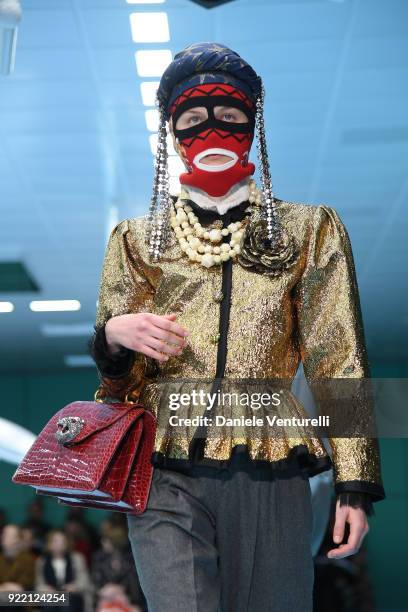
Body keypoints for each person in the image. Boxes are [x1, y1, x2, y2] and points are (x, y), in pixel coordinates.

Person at [89, 42, 386, 612]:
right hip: (162, 457)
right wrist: (111, 338)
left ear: (253, 125)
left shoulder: (309, 230)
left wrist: (355, 482)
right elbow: (116, 390)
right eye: (193, 120)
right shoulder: (136, 238)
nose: (213, 131)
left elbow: (338, 356)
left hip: (269, 457)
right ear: (172, 134)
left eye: (231, 118)